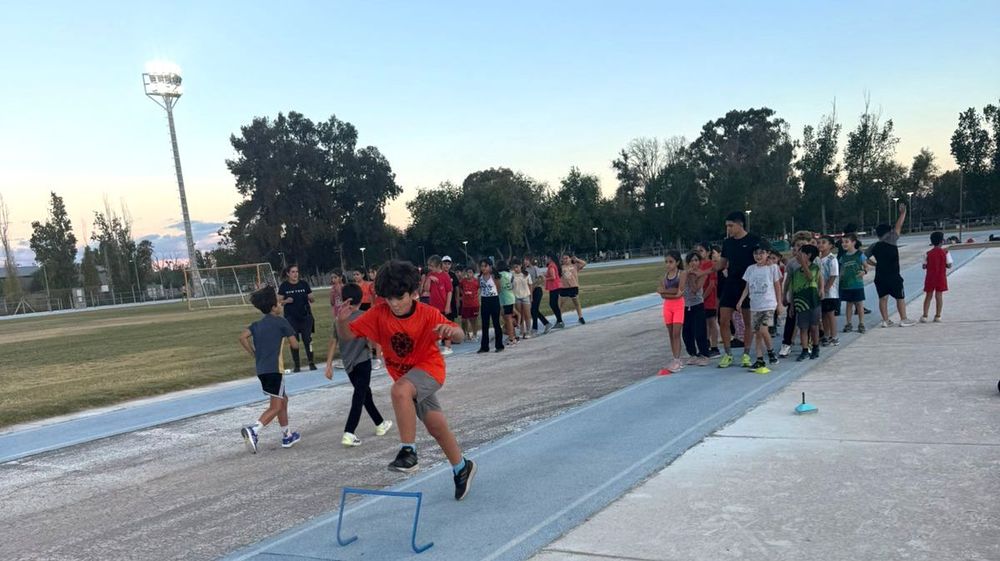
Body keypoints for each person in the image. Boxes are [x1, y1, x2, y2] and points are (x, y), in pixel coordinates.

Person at [335, 260, 477, 501]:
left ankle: (408, 452)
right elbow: (348, 335)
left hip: (429, 370)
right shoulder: (379, 314)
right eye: (388, 298)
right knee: (435, 425)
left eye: (399, 297)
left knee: (399, 391)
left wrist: (453, 332)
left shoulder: (427, 313)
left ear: (413, 293)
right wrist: (341, 321)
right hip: (408, 377)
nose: (394, 304)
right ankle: (462, 467)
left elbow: (460, 335)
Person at [326, 283, 393, 447]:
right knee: (359, 396)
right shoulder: (365, 315)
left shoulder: (338, 319)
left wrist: (328, 364)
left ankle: (380, 423)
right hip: (362, 362)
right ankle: (349, 432)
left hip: (348, 364)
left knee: (365, 394)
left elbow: (333, 341)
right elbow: (373, 339)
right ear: (359, 299)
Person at [238, 287, 302, 453]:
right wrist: (291, 337)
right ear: (274, 307)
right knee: (275, 406)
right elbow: (295, 344)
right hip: (275, 370)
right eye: (279, 302)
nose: (281, 304)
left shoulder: (257, 325)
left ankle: (287, 435)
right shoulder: (282, 322)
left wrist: (254, 353)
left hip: (262, 370)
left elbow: (242, 337)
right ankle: (254, 430)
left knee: (283, 400)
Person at [709, 211, 767, 368]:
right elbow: (721, 264)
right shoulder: (727, 243)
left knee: (748, 321)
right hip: (731, 284)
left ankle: (746, 354)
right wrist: (705, 271)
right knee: (723, 319)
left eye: (730, 225)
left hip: (748, 285)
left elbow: (764, 257)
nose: (728, 229)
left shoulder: (754, 240)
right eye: (727, 226)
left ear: (740, 224)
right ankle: (728, 354)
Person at [866, 203, 916, 327]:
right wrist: (903, 213)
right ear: (888, 232)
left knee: (883, 298)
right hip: (893, 276)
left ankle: (885, 320)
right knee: (900, 297)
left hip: (880, 276)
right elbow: (898, 226)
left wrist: (874, 264)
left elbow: (863, 257)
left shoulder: (874, 246)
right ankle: (903, 319)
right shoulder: (892, 239)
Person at [736, 245, 783, 372]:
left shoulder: (772, 268)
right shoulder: (750, 269)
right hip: (755, 305)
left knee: (763, 329)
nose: (758, 256)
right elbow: (747, 287)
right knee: (757, 333)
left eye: (761, 253)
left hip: (768, 304)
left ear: (767, 254)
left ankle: (771, 352)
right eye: (756, 253)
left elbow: (777, 286)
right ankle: (759, 359)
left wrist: (779, 303)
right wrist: (740, 301)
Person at [778, 231, 815, 357]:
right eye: (798, 245)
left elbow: (816, 278)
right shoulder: (792, 263)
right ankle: (786, 344)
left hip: (810, 295)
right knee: (791, 319)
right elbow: (788, 281)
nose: (801, 247)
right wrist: (784, 295)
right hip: (795, 296)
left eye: (804, 245)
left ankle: (808, 343)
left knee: (808, 321)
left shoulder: (815, 261)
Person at [277, 264, 316, 372]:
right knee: (294, 341)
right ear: (288, 274)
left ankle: (311, 362)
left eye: (297, 272)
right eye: (293, 272)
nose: (295, 274)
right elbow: (279, 301)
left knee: (308, 340)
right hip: (291, 318)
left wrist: (311, 298)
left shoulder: (304, 284)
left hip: (305, 316)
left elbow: (312, 298)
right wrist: (286, 301)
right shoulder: (284, 286)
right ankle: (297, 365)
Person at [790, 245, 822, 361]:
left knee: (814, 327)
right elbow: (793, 289)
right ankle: (804, 350)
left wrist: (804, 263)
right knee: (803, 327)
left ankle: (815, 347)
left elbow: (810, 278)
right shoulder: (796, 272)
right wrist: (792, 305)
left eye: (800, 253)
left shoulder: (815, 267)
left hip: (813, 301)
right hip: (800, 303)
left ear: (808, 255)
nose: (797, 255)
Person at [657, 251, 687, 373]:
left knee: (676, 333)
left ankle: (677, 359)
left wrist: (666, 291)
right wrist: (670, 293)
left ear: (677, 262)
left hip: (678, 306)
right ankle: (675, 358)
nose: (668, 265)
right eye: (666, 262)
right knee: (671, 334)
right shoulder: (665, 276)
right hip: (667, 306)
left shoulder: (682, 273)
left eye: (671, 262)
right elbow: (662, 294)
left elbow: (679, 291)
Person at [682, 251, 711, 366]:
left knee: (699, 331)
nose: (694, 263)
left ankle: (704, 354)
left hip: (697, 305)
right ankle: (692, 354)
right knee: (687, 332)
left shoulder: (702, 274)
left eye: (696, 260)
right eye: (691, 261)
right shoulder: (684, 273)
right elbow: (681, 287)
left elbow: (695, 290)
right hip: (685, 305)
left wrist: (692, 278)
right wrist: (686, 275)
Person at [838, 234, 868, 334]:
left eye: (847, 241)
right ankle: (849, 323)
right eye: (843, 242)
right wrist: (839, 279)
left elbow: (866, 266)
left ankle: (861, 323)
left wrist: (864, 272)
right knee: (849, 304)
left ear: (853, 242)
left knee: (859, 304)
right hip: (846, 285)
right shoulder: (843, 257)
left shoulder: (859, 254)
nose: (844, 244)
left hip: (857, 284)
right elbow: (842, 270)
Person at [921, 231, 953, 322]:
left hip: (930, 277)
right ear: (942, 241)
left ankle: (925, 315)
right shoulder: (946, 252)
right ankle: (938, 316)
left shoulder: (927, 253)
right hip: (941, 277)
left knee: (928, 296)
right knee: (939, 296)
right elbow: (949, 265)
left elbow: (924, 266)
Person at [426, 255, 455, 355]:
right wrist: (429, 279)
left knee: (445, 326)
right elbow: (426, 289)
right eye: (429, 266)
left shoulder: (445, 276)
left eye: (432, 266)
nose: (430, 268)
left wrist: (448, 306)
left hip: (443, 305)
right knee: (434, 327)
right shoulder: (430, 275)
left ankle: (448, 346)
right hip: (433, 306)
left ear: (438, 265)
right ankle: (436, 348)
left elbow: (449, 291)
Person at [817, 236, 840, 346]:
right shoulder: (818, 260)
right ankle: (826, 335)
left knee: (831, 314)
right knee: (824, 315)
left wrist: (825, 289)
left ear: (830, 245)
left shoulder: (832, 259)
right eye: (819, 242)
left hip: (830, 293)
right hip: (821, 293)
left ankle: (834, 336)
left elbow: (833, 276)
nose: (820, 244)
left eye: (824, 242)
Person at [478, 259, 504, 353]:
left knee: (496, 323)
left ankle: (499, 345)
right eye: (482, 266)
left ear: (490, 266)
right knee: (485, 324)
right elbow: (480, 289)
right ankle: (484, 346)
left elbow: (499, 289)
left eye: (485, 266)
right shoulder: (480, 277)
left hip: (494, 299)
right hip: (484, 300)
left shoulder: (494, 276)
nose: (483, 268)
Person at [523, 255, 551, 335]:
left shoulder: (535, 268)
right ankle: (546, 323)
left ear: (531, 260)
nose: (525, 261)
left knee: (534, 309)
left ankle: (535, 328)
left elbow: (542, 278)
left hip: (537, 290)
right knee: (533, 310)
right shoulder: (524, 270)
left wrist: (534, 285)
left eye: (527, 260)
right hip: (529, 291)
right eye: (525, 260)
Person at [560, 254, 588, 324]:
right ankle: (559, 319)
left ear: (570, 259)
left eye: (566, 258)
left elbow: (584, 263)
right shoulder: (561, 267)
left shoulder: (575, 266)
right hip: (564, 288)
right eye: (563, 259)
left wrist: (577, 259)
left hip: (573, 287)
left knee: (576, 303)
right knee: (562, 304)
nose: (565, 260)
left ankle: (580, 317)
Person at [328, 271, 347, 370]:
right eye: (332, 278)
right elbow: (332, 302)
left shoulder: (344, 287)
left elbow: (345, 298)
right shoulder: (333, 289)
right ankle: (343, 356)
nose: (333, 280)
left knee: (344, 336)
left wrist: (339, 289)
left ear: (340, 278)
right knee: (338, 337)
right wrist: (332, 293)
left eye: (335, 277)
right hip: (337, 314)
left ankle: (347, 357)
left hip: (345, 314)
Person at [512, 261, 533, 339]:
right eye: (514, 267)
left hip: (525, 296)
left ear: (520, 266)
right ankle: (522, 330)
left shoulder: (526, 274)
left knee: (527, 314)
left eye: (517, 267)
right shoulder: (512, 275)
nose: (516, 269)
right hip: (517, 296)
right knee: (520, 315)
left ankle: (528, 331)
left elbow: (530, 285)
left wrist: (531, 296)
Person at [459, 266, 481, 340]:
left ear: (473, 273)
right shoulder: (463, 281)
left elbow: (479, 289)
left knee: (474, 319)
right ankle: (465, 334)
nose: (468, 274)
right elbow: (460, 288)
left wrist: (475, 295)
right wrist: (463, 294)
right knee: (464, 320)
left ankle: (475, 334)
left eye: (470, 272)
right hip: (465, 304)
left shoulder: (476, 281)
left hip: (474, 304)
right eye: (467, 272)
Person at [545, 254, 564, 328]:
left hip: (554, 287)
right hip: (556, 286)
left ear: (550, 258)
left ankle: (560, 321)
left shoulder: (551, 265)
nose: (546, 259)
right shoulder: (553, 265)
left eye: (547, 258)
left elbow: (553, 277)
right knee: (554, 304)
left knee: (553, 304)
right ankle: (559, 320)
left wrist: (545, 278)